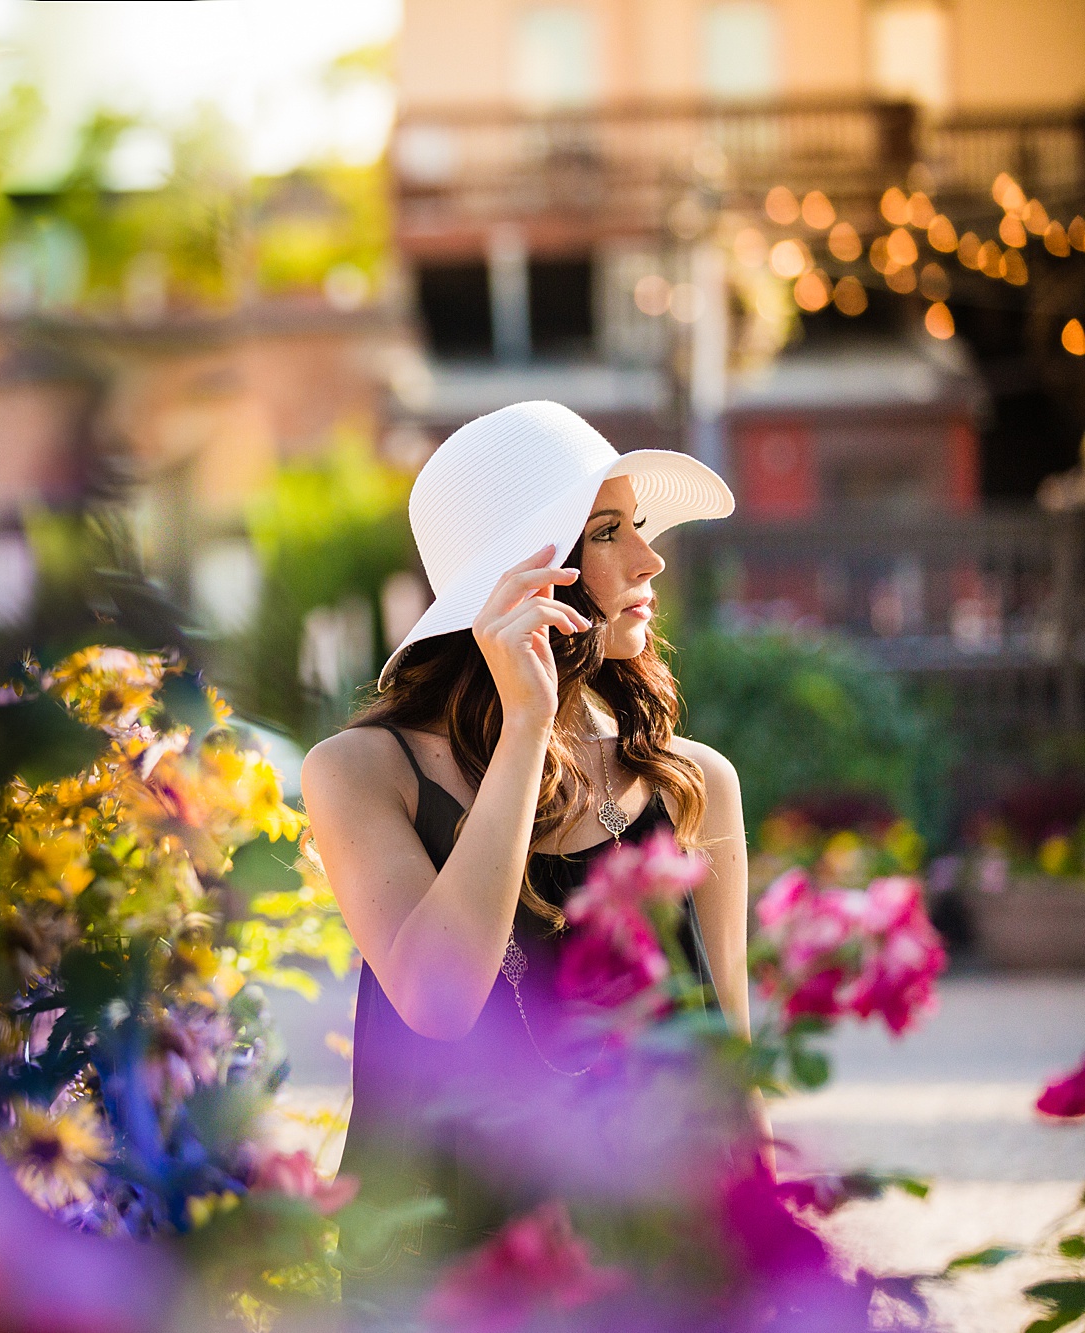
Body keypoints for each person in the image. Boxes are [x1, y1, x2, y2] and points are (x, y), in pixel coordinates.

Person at [299, 401, 762, 1285]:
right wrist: (525, 729)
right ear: (526, 575)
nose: (649, 558)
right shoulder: (361, 770)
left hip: (656, 1271)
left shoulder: (691, 781)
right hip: (450, 1275)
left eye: (641, 527)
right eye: (607, 531)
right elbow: (439, 995)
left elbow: (729, 1075)